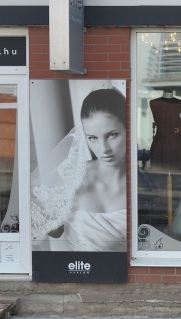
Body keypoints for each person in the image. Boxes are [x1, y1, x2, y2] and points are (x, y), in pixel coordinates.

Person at [31, 87, 127, 252]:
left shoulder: (143, 184)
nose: (104, 149)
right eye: (93, 138)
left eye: (111, 135)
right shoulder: (72, 177)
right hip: (80, 271)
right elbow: (53, 231)